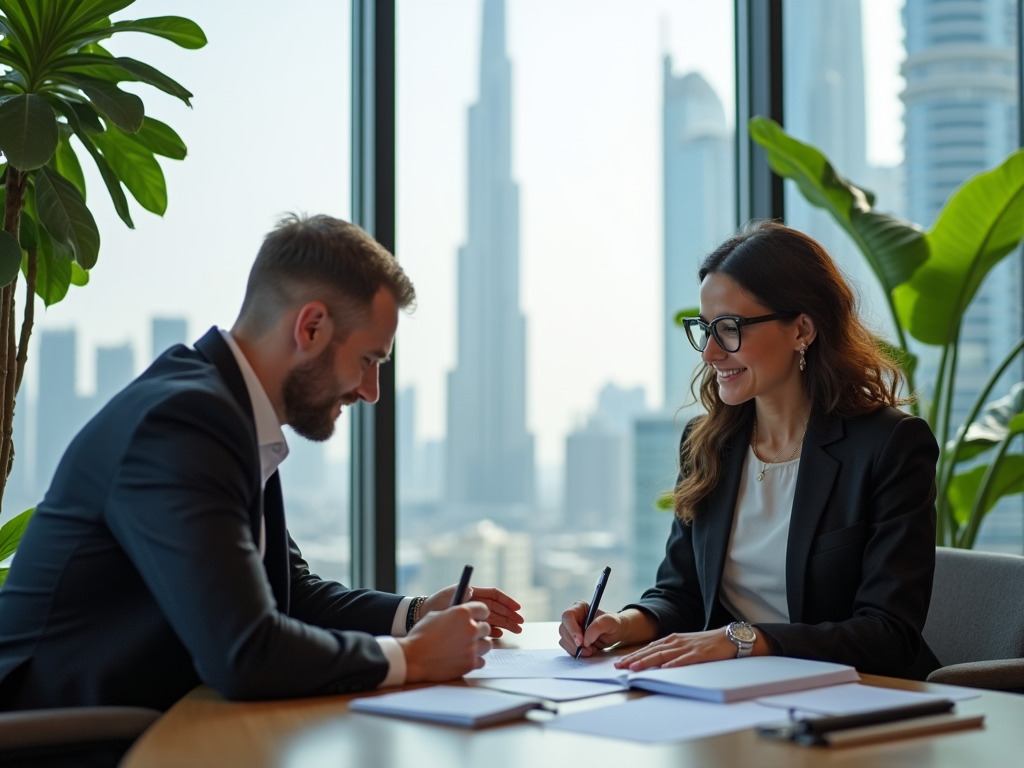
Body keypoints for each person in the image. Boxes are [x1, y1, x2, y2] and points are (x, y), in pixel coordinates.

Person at [0, 214, 523, 712]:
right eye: (369, 360)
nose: (371, 391)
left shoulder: (227, 411)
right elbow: (245, 654)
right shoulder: (185, 421)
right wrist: (413, 657)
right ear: (311, 327)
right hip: (65, 739)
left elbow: (290, 596)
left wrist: (415, 617)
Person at [560, 220, 940, 680]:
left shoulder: (889, 446)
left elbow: (888, 635)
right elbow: (681, 594)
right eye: (705, 329)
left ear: (801, 329)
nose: (710, 353)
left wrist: (743, 639)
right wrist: (619, 623)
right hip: (736, 693)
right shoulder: (707, 443)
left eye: (730, 328)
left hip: (862, 699)